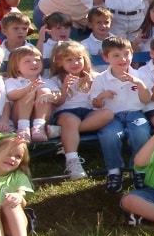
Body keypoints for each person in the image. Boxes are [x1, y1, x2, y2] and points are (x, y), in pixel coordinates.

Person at [89, 36, 153, 193]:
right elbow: (95, 103)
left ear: (132, 54)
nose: (122, 59)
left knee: (141, 132)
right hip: (112, 115)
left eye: (126, 54)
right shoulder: (101, 78)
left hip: (135, 113)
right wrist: (102, 96)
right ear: (106, 58)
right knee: (109, 135)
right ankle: (114, 170)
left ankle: (138, 168)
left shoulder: (140, 75)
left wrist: (139, 84)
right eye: (116, 55)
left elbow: (147, 99)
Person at [48, 41, 113, 180]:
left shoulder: (95, 77)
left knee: (108, 114)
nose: (75, 63)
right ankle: (73, 161)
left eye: (79, 58)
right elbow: (56, 104)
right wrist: (64, 88)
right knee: (72, 121)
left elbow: (98, 105)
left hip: (88, 112)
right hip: (66, 112)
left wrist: (92, 86)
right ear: (60, 63)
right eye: (69, 60)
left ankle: (62, 132)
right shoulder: (55, 80)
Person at [4, 46, 54, 142]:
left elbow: (57, 96)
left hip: (41, 118)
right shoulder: (12, 81)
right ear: (16, 66)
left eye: (37, 60)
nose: (34, 63)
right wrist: (27, 89)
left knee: (44, 91)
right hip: (18, 119)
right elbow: (11, 95)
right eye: (27, 61)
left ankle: (39, 127)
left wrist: (51, 95)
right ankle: (23, 128)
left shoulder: (47, 81)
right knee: (28, 92)